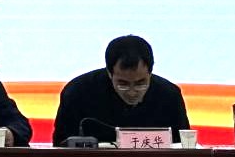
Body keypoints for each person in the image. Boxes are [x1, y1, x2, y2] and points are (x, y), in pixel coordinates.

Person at [51, 34, 189, 145]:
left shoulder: (169, 96)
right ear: (109, 73)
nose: (132, 92)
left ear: (150, 73)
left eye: (140, 83)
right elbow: (60, 148)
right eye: (123, 84)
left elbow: (184, 147)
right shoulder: (77, 93)